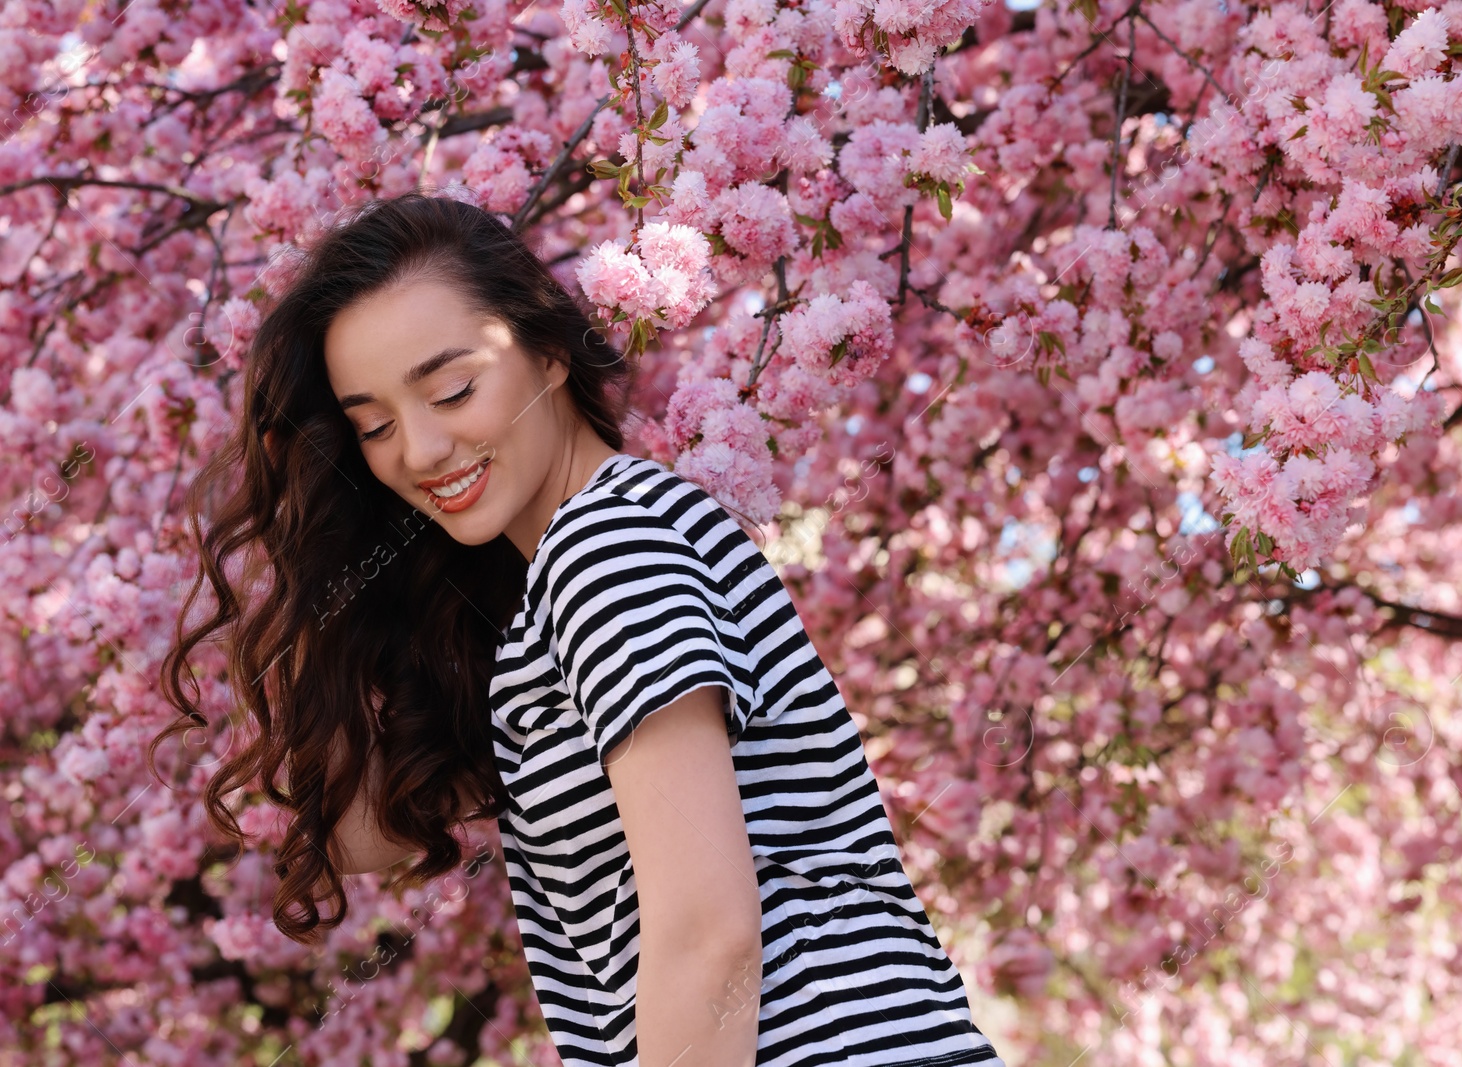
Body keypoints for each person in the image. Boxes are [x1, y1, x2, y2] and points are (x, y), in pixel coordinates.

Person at [158, 192, 1006, 1067]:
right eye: (372, 426)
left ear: (552, 353)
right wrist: (321, 556)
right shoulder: (565, 581)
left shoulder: (608, 547)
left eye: (452, 389)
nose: (417, 450)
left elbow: (710, 932)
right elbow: (358, 832)